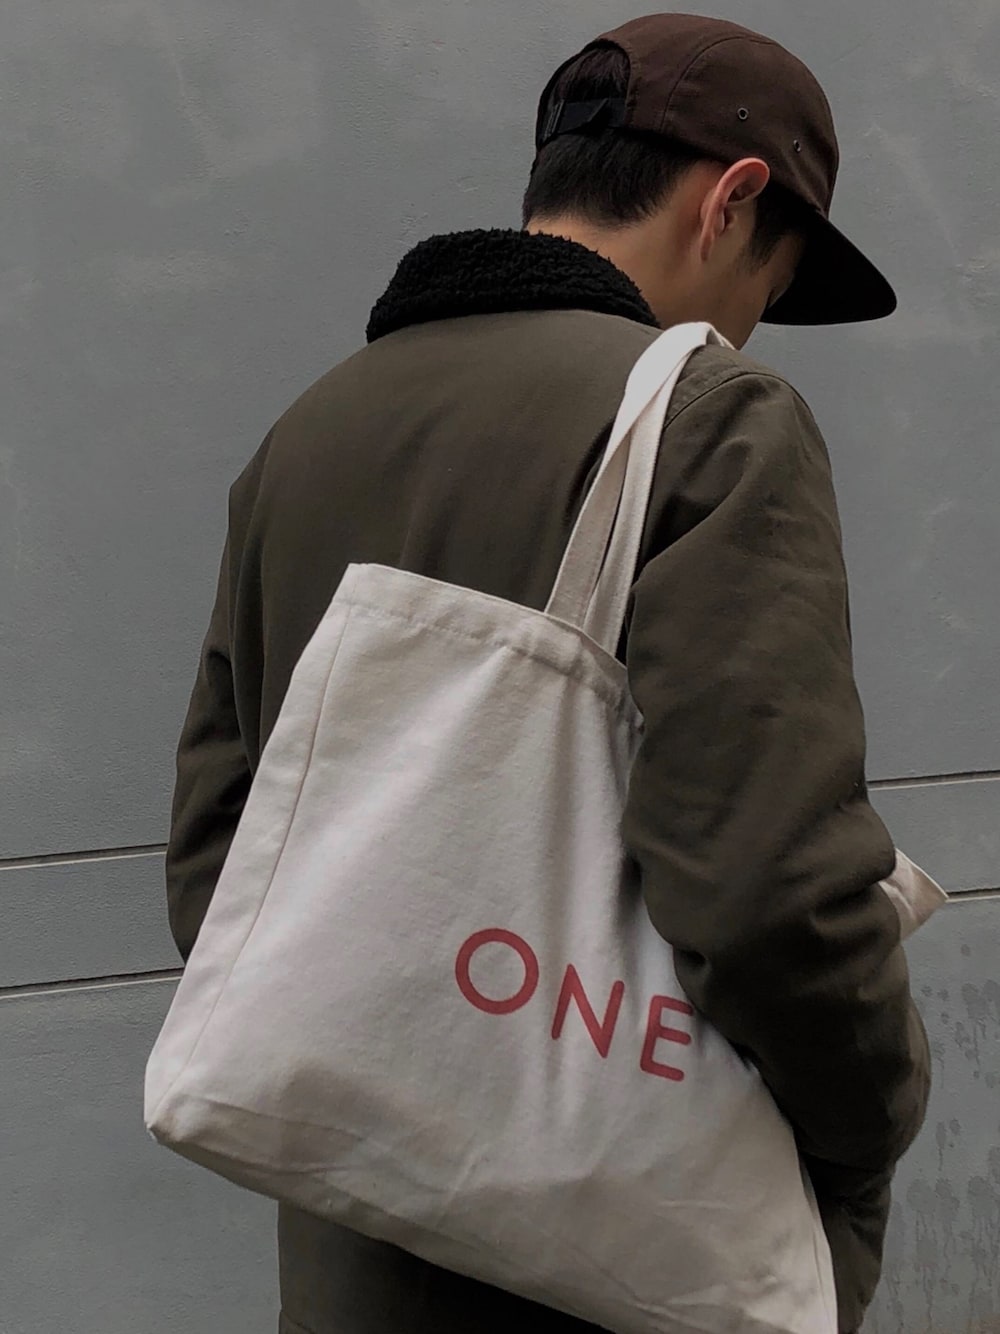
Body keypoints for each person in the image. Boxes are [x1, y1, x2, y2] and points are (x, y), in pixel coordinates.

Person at [165, 14, 930, 1334]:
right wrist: (875, 1122)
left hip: (357, 1257)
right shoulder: (714, 420)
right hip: (619, 1258)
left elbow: (218, 868)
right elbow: (765, 889)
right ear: (732, 202)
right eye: (774, 279)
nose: (755, 325)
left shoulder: (311, 429)